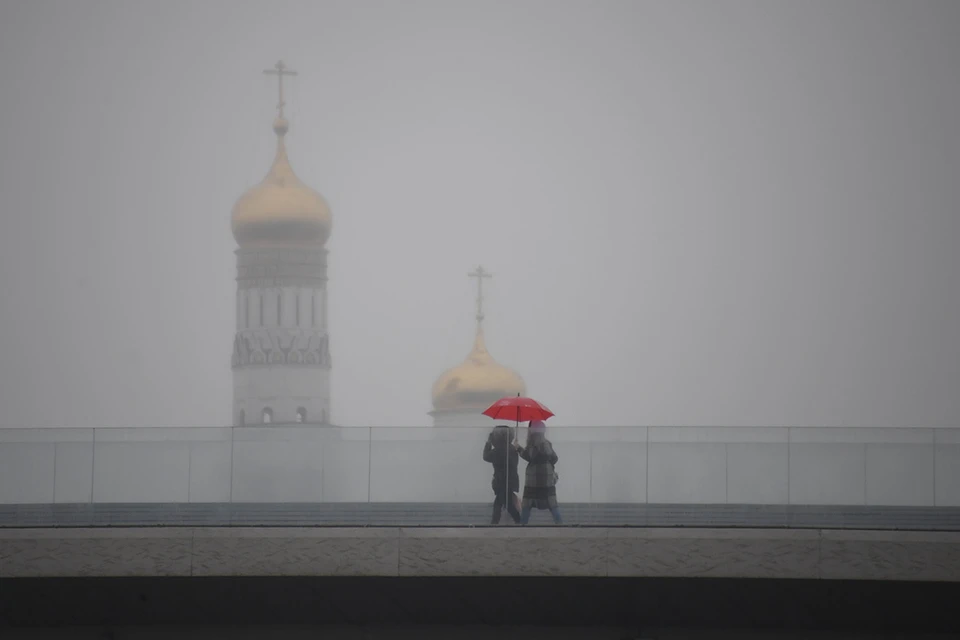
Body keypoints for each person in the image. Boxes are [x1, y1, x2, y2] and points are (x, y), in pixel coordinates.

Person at [516, 420, 562, 524]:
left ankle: (522, 527)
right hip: (546, 480)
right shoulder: (547, 443)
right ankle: (561, 526)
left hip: (533, 481)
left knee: (526, 506)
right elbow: (555, 458)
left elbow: (529, 456)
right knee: (552, 504)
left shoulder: (533, 445)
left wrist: (518, 448)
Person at [482, 424, 521, 525]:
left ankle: (495, 523)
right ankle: (518, 521)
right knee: (506, 504)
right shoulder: (512, 449)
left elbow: (486, 456)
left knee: (500, 504)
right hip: (510, 481)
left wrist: (489, 442)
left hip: (501, 481)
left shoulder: (499, 450)